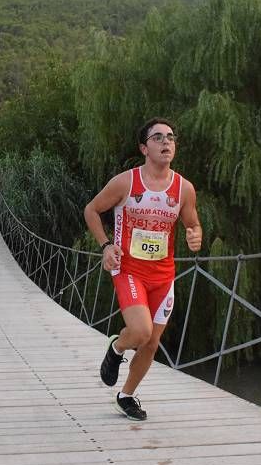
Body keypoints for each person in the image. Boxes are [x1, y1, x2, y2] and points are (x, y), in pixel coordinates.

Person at [83, 118, 202, 421]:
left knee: (150, 343)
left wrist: (195, 235)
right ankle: (117, 346)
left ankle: (126, 395)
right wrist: (105, 245)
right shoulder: (126, 182)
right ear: (144, 147)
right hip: (129, 269)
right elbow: (92, 210)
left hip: (163, 277)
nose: (166, 142)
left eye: (171, 137)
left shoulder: (184, 189)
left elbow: (192, 224)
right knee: (140, 331)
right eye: (158, 137)